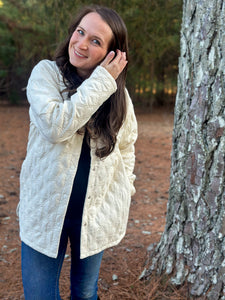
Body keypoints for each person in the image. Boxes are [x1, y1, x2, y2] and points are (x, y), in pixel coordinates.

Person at [18, 5, 137, 300]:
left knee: (85, 294)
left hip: (93, 213)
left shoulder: (118, 96)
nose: (81, 43)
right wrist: (102, 82)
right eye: (80, 32)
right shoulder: (47, 74)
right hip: (45, 211)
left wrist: (125, 189)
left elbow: (127, 145)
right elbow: (56, 126)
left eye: (95, 41)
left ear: (113, 54)